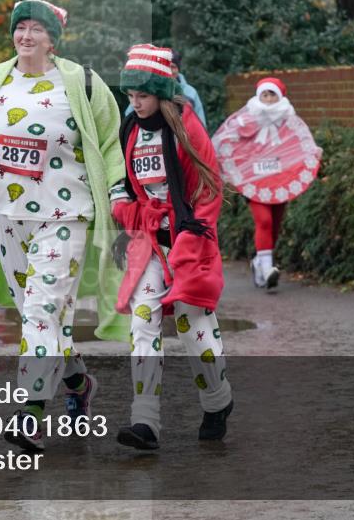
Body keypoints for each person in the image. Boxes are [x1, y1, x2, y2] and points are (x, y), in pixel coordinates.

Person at [0, 0, 128, 451]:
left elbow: (110, 144)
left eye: (35, 29)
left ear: (53, 38)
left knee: (41, 312)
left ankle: (30, 412)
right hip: (5, 216)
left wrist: (121, 192)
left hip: (65, 216)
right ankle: (78, 382)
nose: (25, 36)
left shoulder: (83, 83)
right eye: (20, 27)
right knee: (43, 315)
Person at [111, 43, 234, 450]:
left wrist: (191, 241)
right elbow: (127, 186)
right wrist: (125, 211)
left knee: (192, 328)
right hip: (150, 247)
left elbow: (208, 189)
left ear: (162, 93)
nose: (135, 104)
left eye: (142, 96)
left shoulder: (188, 128)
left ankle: (217, 399)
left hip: (189, 245)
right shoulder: (130, 127)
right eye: (130, 97)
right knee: (142, 324)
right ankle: (145, 422)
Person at [211, 77, 322, 289]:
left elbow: (300, 145)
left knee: (275, 224)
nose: (268, 99)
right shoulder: (246, 119)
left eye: (272, 95)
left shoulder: (289, 120)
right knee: (264, 221)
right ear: (258, 96)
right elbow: (229, 142)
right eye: (265, 94)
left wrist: (313, 154)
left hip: (280, 181)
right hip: (254, 184)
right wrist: (231, 172)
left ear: (280, 97)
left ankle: (259, 263)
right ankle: (267, 268)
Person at [123, 49, 206, 127]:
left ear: (178, 69)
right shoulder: (151, 90)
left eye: (173, 67)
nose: (169, 71)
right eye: (166, 67)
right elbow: (129, 115)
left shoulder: (190, 92)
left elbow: (201, 122)